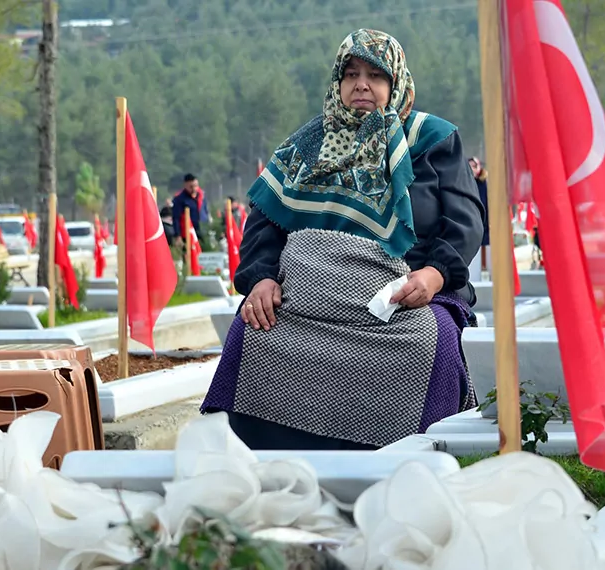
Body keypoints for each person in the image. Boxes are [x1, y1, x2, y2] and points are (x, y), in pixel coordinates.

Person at [201, 29, 485, 451]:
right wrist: (261, 279)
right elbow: (263, 223)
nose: (362, 85)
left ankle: (419, 459)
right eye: (351, 74)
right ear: (338, 82)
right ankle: (263, 464)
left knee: (434, 343)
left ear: (396, 82)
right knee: (253, 331)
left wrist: (434, 275)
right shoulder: (308, 144)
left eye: (375, 75)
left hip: (407, 296)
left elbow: (465, 222)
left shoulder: (432, 138)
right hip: (311, 299)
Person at [171, 173, 208, 238]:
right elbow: (176, 218)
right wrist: (177, 235)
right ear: (185, 185)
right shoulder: (179, 199)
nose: (194, 189)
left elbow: (205, 211)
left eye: (196, 186)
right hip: (188, 233)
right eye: (191, 187)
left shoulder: (201, 196)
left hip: (202, 230)